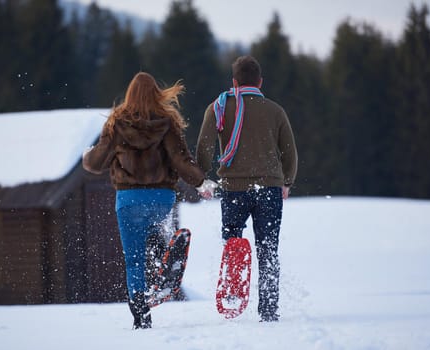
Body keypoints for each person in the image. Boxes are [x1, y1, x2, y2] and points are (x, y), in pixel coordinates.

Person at [82, 72, 214, 329]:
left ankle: (141, 315)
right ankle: (164, 257)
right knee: (155, 234)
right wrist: (201, 182)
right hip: (161, 197)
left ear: (129, 95)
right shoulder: (167, 122)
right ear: (157, 93)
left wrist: (88, 155)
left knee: (134, 259)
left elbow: (97, 162)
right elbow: (180, 160)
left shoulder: (116, 122)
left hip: (128, 199)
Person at [196, 55, 298, 322]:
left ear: (234, 82)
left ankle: (233, 296)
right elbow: (290, 152)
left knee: (232, 244)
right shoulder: (275, 110)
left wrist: (201, 176)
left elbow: (205, 146)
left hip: (233, 189)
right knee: (268, 249)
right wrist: (287, 181)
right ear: (260, 82)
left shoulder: (218, 108)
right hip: (269, 189)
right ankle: (268, 309)